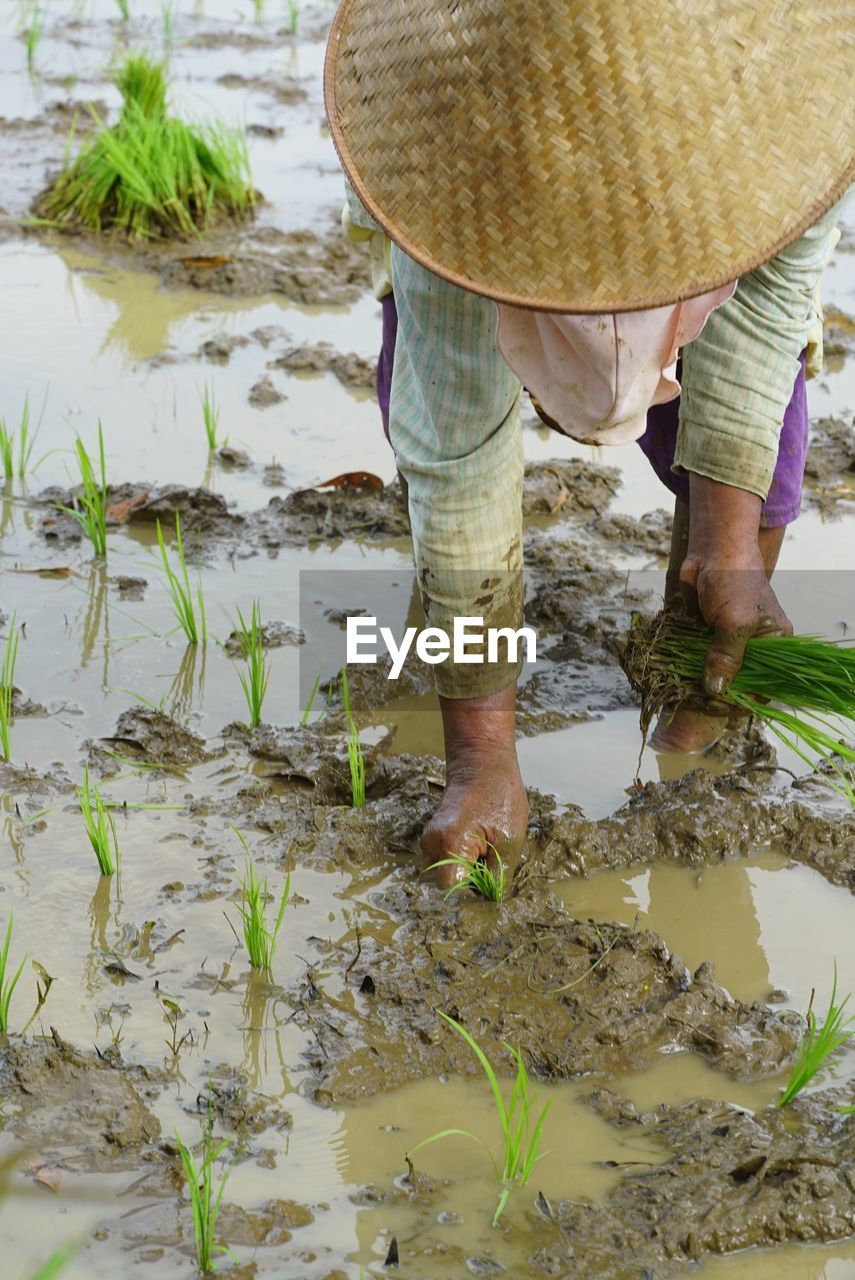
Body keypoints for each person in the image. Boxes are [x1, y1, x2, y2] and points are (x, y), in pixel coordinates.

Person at [326, 0, 854, 887]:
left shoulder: (784, 101)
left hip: (714, 145)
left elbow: (763, 315)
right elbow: (457, 440)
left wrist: (726, 544)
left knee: (758, 464)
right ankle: (460, 640)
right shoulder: (445, 144)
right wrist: (479, 760)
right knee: (425, 405)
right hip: (487, 127)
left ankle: (693, 704)